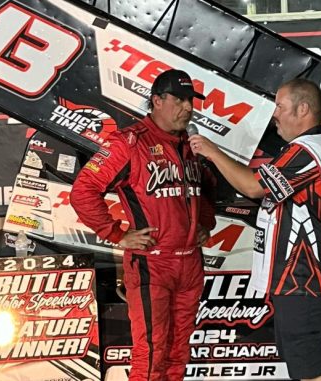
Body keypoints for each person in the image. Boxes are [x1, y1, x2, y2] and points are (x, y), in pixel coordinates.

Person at [190, 78, 321, 381]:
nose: (275, 116)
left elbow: (254, 187)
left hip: (304, 280)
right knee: (304, 366)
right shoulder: (311, 147)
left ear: (303, 109)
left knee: (314, 369)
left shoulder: (307, 150)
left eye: (280, 108)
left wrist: (211, 150)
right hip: (295, 280)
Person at [70, 69, 216, 380]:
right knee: (152, 351)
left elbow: (203, 190)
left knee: (179, 352)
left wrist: (204, 223)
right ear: (157, 101)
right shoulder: (129, 143)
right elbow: (83, 191)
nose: (188, 107)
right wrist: (116, 234)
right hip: (152, 264)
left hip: (190, 263)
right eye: (180, 100)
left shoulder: (191, 145)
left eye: (191, 100)